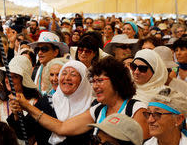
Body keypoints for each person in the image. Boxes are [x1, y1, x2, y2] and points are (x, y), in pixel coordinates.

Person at [17, 56, 149, 140]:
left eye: (100, 81)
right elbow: (62, 128)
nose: (95, 86)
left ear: (116, 81)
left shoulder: (136, 109)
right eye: (94, 81)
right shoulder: (98, 110)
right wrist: (28, 107)